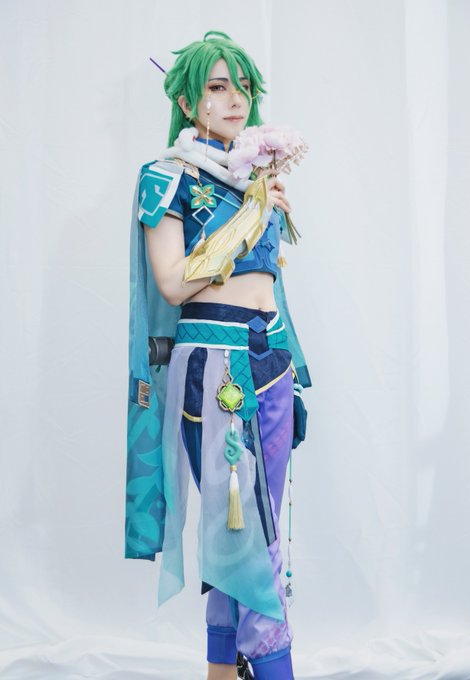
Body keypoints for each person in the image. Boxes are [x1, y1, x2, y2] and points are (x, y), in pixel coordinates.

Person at [125, 30, 311, 680]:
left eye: (244, 87)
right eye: (217, 86)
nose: (236, 99)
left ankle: (221, 671)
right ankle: (275, 666)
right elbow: (174, 283)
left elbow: (268, 283)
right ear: (186, 100)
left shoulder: (253, 177)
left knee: (256, 528)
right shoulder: (166, 177)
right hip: (216, 368)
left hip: (270, 359)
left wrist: (262, 209)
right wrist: (247, 224)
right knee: (245, 532)